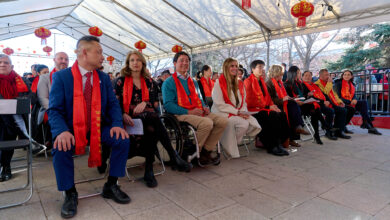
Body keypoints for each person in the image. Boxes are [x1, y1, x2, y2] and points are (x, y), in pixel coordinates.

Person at [48, 36, 131, 218]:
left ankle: (111, 184)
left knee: (122, 139)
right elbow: (54, 110)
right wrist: (61, 131)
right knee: (59, 146)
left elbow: (113, 105)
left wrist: (117, 124)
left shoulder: (102, 78)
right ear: (84, 53)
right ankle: (70, 193)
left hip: (98, 127)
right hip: (71, 129)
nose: (102, 57)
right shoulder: (62, 77)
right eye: (99, 52)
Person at [113, 51, 192, 187]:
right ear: (128, 63)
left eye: (138, 60)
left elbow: (155, 103)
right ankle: (171, 157)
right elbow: (114, 104)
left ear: (143, 63)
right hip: (128, 121)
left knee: (151, 124)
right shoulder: (120, 81)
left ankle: (150, 170)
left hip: (147, 120)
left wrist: (145, 103)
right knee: (153, 120)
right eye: (132, 60)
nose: (135, 63)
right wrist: (122, 114)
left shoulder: (150, 82)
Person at [162, 51, 228, 165]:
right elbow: (168, 105)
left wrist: (204, 107)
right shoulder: (168, 82)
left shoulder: (192, 81)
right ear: (174, 63)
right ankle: (192, 150)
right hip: (180, 114)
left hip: (197, 111)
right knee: (207, 123)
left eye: (187, 61)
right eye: (181, 60)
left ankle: (205, 150)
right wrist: (188, 111)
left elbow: (200, 98)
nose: (184, 63)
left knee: (222, 121)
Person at [211, 58, 261, 158]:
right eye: (232, 66)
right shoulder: (218, 83)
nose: (235, 68)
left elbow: (244, 101)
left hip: (236, 112)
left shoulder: (240, 83)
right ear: (226, 67)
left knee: (247, 122)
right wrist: (237, 112)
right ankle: (228, 144)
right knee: (243, 124)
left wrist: (244, 112)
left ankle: (230, 144)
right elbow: (219, 103)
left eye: (236, 66)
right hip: (221, 112)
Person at [244, 60, 289, 156]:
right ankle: (271, 146)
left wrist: (273, 106)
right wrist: (268, 107)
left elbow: (268, 98)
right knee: (272, 116)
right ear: (253, 69)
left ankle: (279, 143)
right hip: (253, 110)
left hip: (263, 108)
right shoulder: (248, 82)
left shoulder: (261, 81)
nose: (262, 69)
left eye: (263, 67)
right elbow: (249, 101)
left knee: (281, 114)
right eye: (260, 67)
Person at [0, 54, 33, 182]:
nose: (2, 64)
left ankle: (5, 166)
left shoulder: (22, 81)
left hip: (16, 119)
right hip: (4, 121)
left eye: (6, 62)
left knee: (8, 131)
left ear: (12, 66)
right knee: (6, 126)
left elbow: (32, 99)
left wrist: (12, 104)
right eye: (0, 62)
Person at [266, 64, 309, 148]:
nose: (282, 76)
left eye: (282, 74)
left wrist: (290, 98)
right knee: (291, 110)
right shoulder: (269, 84)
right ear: (275, 73)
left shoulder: (280, 83)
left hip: (283, 104)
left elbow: (284, 95)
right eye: (280, 74)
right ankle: (294, 132)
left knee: (293, 106)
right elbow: (270, 99)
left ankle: (294, 134)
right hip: (275, 106)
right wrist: (283, 100)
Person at [284, 66, 327, 144]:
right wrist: (296, 100)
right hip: (294, 106)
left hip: (303, 104)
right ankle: (323, 127)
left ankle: (317, 133)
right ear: (293, 74)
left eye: (300, 73)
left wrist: (307, 95)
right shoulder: (287, 84)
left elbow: (302, 96)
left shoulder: (299, 83)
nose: (299, 75)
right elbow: (288, 97)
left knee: (314, 109)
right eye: (298, 73)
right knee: (314, 109)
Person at [334, 70, 381, 135]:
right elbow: (337, 97)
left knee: (363, 103)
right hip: (341, 103)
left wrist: (355, 99)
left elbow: (354, 95)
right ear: (342, 75)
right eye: (345, 74)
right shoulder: (338, 83)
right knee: (353, 109)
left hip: (350, 102)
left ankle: (367, 123)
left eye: (348, 75)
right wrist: (351, 101)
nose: (346, 76)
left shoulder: (352, 84)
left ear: (351, 76)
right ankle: (368, 126)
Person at [315, 69, 351, 139]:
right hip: (322, 104)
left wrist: (339, 102)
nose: (328, 76)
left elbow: (334, 95)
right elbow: (325, 93)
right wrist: (329, 83)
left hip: (331, 102)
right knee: (331, 111)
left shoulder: (328, 83)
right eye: (326, 75)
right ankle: (328, 132)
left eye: (328, 75)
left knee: (343, 110)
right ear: (321, 76)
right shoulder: (317, 84)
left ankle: (339, 131)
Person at [301, 71, 337, 140]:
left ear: (312, 77)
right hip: (310, 105)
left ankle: (332, 129)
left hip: (320, 103)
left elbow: (324, 94)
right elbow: (309, 98)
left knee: (336, 109)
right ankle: (328, 131)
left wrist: (328, 101)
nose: (308, 77)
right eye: (306, 75)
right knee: (330, 111)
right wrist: (323, 102)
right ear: (302, 77)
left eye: (309, 75)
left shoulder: (315, 85)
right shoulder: (302, 86)